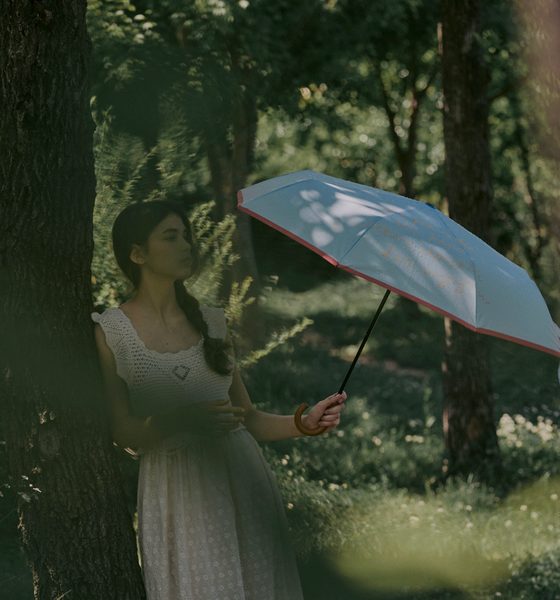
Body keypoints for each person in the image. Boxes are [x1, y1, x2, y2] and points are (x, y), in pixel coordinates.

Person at [91, 200, 346, 600]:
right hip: (175, 493)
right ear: (137, 254)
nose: (187, 244)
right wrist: (181, 420)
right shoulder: (112, 332)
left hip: (239, 481)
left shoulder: (212, 322)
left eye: (186, 235)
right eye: (170, 237)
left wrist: (304, 423)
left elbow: (250, 419)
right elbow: (121, 431)